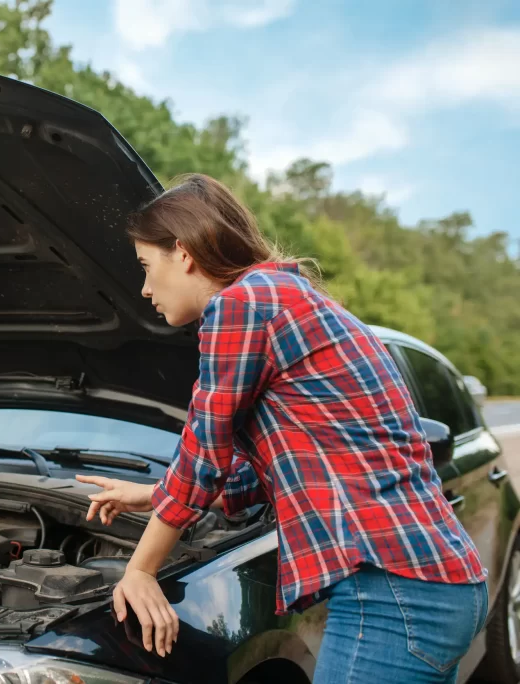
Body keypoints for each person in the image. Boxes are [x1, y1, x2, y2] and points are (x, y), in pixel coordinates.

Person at [78, 174, 487, 683]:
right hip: (435, 585)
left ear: (182, 253)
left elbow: (203, 454)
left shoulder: (242, 304)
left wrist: (140, 570)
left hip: (391, 594)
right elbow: (285, 465)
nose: (142, 288)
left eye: (145, 265)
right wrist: (156, 494)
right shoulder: (282, 295)